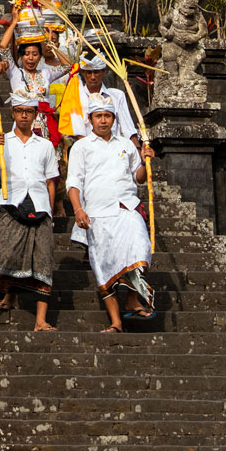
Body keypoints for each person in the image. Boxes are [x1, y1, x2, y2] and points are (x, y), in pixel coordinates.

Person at [66, 95, 156, 332]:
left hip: (127, 207)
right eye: (99, 116)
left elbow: (137, 177)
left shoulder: (126, 144)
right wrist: (78, 209)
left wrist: (146, 163)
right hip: (97, 213)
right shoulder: (81, 147)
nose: (103, 121)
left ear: (114, 119)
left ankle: (133, 298)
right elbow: (73, 182)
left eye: (107, 116)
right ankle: (116, 322)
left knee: (140, 249)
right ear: (91, 119)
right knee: (104, 268)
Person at [0, 94, 59, 332]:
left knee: (43, 261)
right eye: (19, 110)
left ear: (35, 114)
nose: (23, 115)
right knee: (8, 253)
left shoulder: (45, 145)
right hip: (11, 201)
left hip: (39, 205)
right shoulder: (3, 140)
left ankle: (40, 319)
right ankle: (9, 294)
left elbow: (51, 181)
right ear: (12, 113)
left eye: (28, 111)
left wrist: (49, 212)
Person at [0, 21, 72, 149]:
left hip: (45, 127)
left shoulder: (46, 74)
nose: (31, 58)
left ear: (40, 57)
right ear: (21, 57)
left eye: (35, 54)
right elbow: (3, 47)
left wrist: (52, 46)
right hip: (23, 124)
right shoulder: (15, 73)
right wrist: (14, 22)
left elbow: (68, 66)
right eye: (26, 54)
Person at [66, 56, 138, 146]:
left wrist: (137, 148)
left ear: (103, 72)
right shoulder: (76, 97)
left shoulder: (117, 95)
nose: (92, 77)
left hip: (114, 148)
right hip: (86, 149)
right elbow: (75, 130)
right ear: (83, 73)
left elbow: (128, 127)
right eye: (89, 73)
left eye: (96, 72)